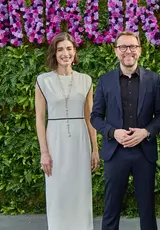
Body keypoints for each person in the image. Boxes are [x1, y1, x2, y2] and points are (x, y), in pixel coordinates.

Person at [90, 31, 160, 230]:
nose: (128, 51)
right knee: (111, 208)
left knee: (147, 208)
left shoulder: (154, 79)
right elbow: (95, 117)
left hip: (144, 153)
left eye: (132, 46)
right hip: (115, 153)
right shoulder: (104, 81)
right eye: (123, 47)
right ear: (116, 51)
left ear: (140, 50)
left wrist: (146, 132)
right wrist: (113, 132)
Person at [35, 32, 99, 230]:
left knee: (80, 192)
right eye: (60, 49)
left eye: (69, 49)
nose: (65, 53)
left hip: (80, 143)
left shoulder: (86, 80)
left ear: (75, 52)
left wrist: (95, 149)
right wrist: (44, 152)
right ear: (54, 53)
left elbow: (90, 118)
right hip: (55, 142)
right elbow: (39, 119)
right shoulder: (43, 81)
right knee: (57, 192)